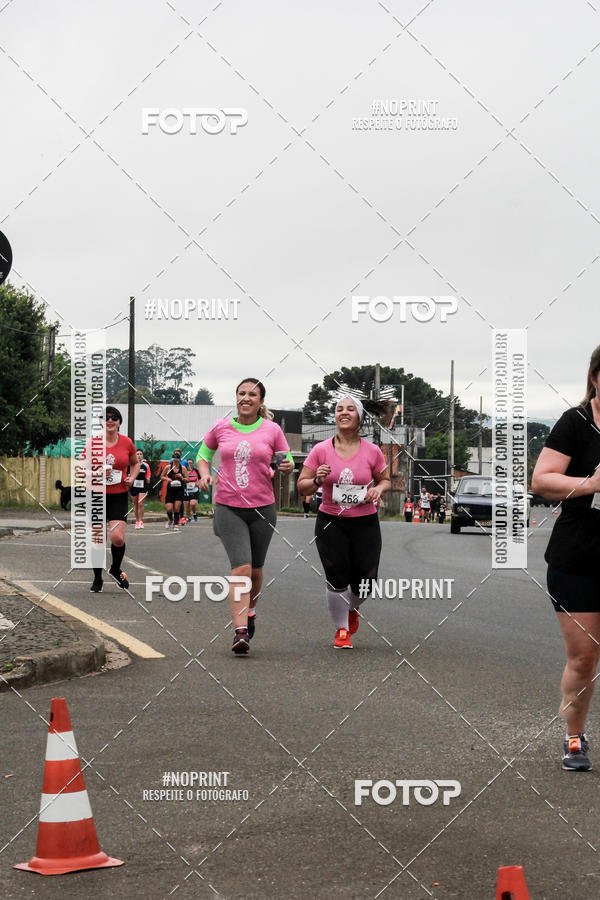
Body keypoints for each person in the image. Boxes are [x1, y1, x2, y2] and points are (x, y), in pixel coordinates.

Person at [532, 344, 600, 771]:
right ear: (595, 377)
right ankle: (574, 736)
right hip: (581, 556)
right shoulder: (575, 423)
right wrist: (591, 485)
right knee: (585, 656)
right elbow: (542, 480)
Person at [196, 378, 294, 653]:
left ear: (261, 402)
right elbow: (203, 455)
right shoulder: (221, 427)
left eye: (252, 394)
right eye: (241, 393)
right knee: (240, 568)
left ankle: (251, 610)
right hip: (228, 506)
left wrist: (286, 466)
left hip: (262, 508)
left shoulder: (272, 430)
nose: (246, 398)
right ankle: (240, 630)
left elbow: (285, 461)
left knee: (256, 570)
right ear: (236, 398)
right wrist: (204, 474)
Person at [297, 395, 390, 649]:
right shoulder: (321, 450)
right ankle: (341, 630)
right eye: (339, 409)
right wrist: (316, 479)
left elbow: (385, 480)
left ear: (359, 417)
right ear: (335, 416)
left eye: (350, 409)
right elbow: (301, 485)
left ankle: (352, 608)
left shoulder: (372, 451)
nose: (344, 413)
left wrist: (378, 490)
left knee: (366, 581)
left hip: (365, 521)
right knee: (336, 576)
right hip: (331, 522)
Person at [87, 406, 139, 592]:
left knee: (117, 538)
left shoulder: (126, 443)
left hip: (118, 496)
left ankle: (115, 569)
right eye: (106, 417)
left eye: (114, 418)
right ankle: (97, 578)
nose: (110, 420)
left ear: (119, 422)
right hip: (96, 496)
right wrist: (97, 472)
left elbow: (135, 464)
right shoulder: (92, 443)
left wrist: (131, 478)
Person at [162, 454, 187, 532]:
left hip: (179, 490)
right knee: (169, 508)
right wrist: (167, 479)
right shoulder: (168, 467)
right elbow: (162, 476)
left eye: (177, 461)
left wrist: (182, 477)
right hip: (170, 490)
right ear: (172, 460)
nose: (175, 462)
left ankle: (176, 524)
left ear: (179, 460)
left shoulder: (183, 468)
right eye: (174, 460)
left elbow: (188, 479)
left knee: (176, 508)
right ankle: (170, 520)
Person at [130, 449, 151, 529]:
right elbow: (128, 474)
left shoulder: (146, 466)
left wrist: (148, 478)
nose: (139, 455)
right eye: (137, 454)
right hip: (134, 487)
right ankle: (137, 521)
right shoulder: (132, 465)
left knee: (141, 503)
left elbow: (148, 474)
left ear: (142, 455)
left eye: (140, 454)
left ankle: (141, 521)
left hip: (143, 487)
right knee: (136, 504)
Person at [184, 457, 201, 522]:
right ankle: (189, 517)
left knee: (192, 504)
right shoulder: (184, 470)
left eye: (191, 463)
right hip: (186, 490)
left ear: (193, 464)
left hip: (194, 489)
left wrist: (197, 483)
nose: (190, 464)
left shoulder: (196, 471)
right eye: (188, 463)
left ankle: (194, 513)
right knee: (187, 505)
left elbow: (200, 479)